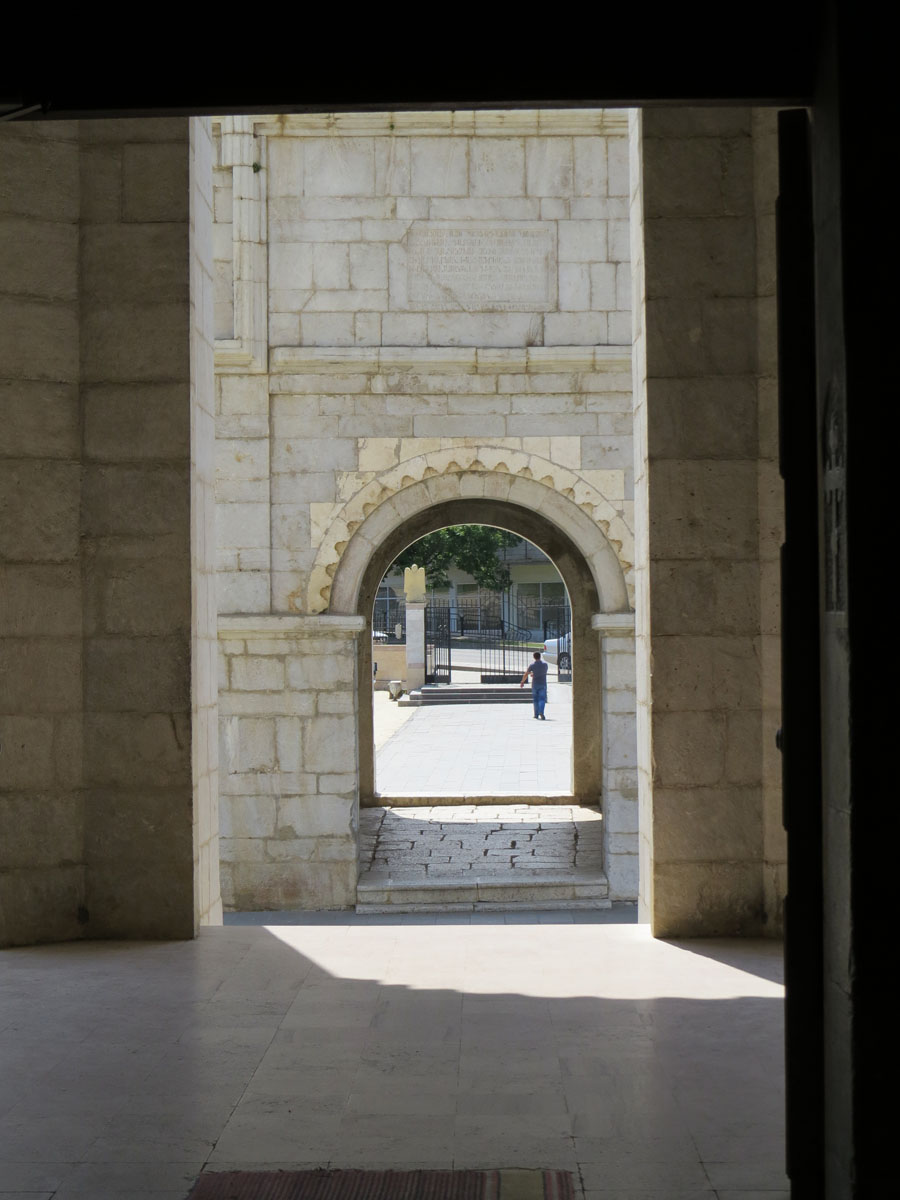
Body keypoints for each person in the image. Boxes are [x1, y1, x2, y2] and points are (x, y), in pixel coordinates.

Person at [520, 650, 549, 720]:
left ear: (534, 657)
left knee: (535, 699)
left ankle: (536, 714)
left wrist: (522, 682)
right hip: (543, 684)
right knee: (542, 699)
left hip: (535, 684)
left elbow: (526, 673)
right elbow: (543, 672)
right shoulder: (545, 664)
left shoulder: (532, 665)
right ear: (540, 656)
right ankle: (541, 712)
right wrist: (534, 674)